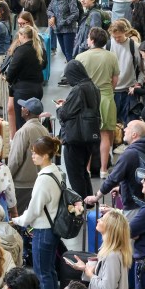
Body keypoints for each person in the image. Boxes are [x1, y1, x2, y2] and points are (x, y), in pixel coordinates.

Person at [11, 137, 66, 289]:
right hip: (52, 229)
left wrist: (18, 220)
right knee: (49, 271)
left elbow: (34, 210)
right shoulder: (55, 172)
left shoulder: (43, 179)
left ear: (45, 155)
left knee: (42, 273)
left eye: (36, 153)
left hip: (43, 230)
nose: (33, 156)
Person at [76, 27, 119, 177]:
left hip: (87, 98)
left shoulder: (81, 57)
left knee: (88, 135)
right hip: (106, 97)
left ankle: (86, 169)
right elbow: (115, 79)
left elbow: (76, 81)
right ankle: (103, 169)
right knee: (105, 134)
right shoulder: (111, 57)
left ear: (92, 40)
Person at [56, 61, 100, 201]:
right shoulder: (94, 87)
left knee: (75, 175)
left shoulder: (78, 90)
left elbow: (65, 114)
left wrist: (60, 107)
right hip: (89, 136)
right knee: (83, 173)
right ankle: (89, 202)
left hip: (75, 138)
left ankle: (80, 206)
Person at [8, 98, 51, 208]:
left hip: (22, 185)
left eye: (23, 107)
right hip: (40, 181)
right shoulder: (45, 131)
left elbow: (15, 160)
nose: (21, 109)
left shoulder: (23, 131)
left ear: (27, 112)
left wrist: (7, 177)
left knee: (18, 218)